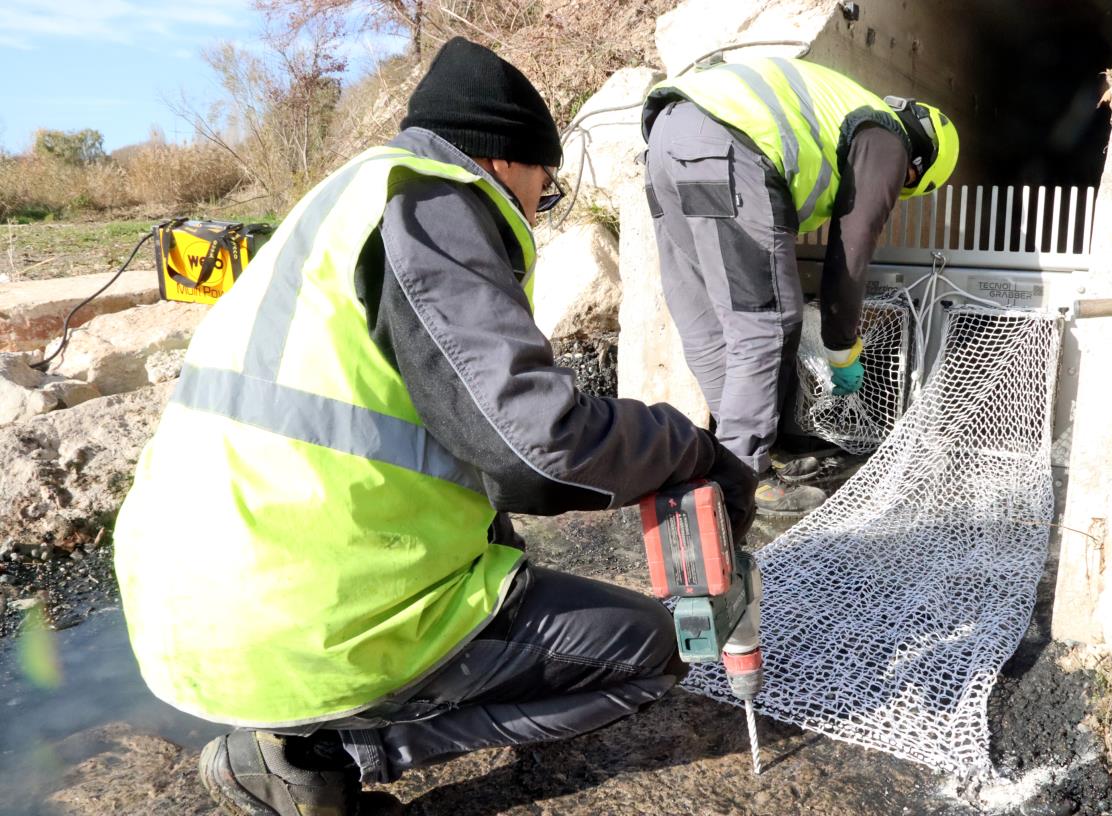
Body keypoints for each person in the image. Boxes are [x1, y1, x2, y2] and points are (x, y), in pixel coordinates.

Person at [113, 37, 757, 816]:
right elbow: (538, 450)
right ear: (507, 163)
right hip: (297, 627)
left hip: (185, 615)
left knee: (503, 560)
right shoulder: (436, 199)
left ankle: (309, 726)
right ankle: (340, 752)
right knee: (651, 653)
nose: (535, 212)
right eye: (543, 192)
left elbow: (440, 428)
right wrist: (688, 446)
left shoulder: (339, 205)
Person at [642, 57, 959, 515]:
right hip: (728, 144)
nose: (897, 187)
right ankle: (743, 480)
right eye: (907, 183)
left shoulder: (845, 106)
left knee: (711, 320)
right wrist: (841, 347)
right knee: (766, 323)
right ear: (919, 161)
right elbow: (851, 251)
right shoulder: (886, 137)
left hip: (666, 139)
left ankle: (755, 451)